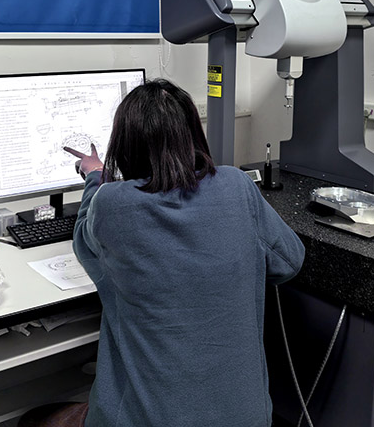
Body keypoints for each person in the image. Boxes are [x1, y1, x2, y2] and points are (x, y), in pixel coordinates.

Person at [20, 79, 304, 427]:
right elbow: (289, 261)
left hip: (148, 419)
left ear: (124, 145)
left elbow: (84, 243)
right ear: (193, 135)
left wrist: (95, 176)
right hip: (247, 417)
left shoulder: (111, 204)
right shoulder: (237, 185)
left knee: (35, 419)